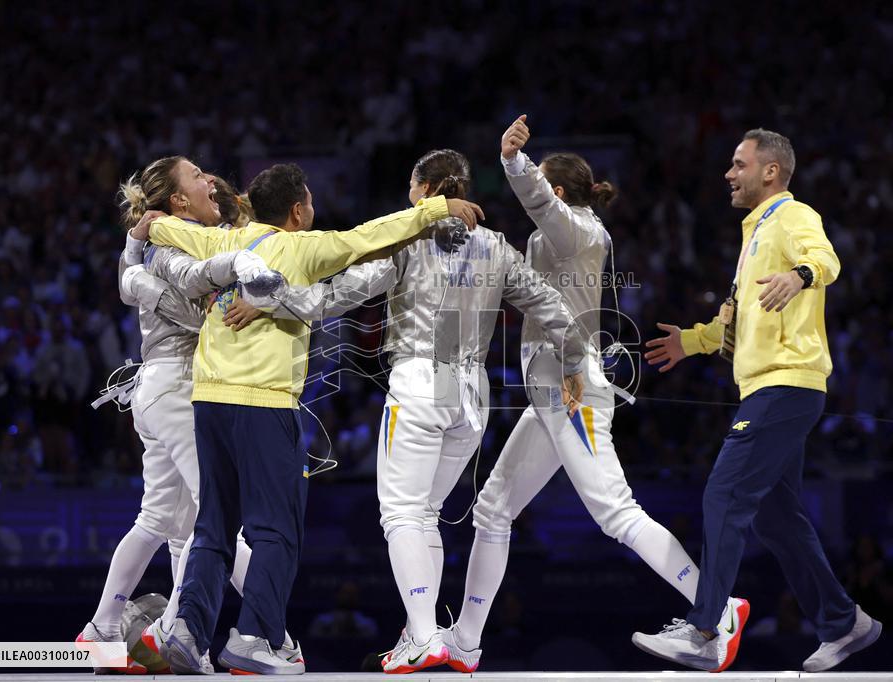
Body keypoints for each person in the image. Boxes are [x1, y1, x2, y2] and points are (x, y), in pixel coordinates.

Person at [240, 149, 586, 674]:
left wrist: (274, 298)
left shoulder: (408, 239)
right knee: (423, 513)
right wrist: (576, 360)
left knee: (400, 513)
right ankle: (417, 631)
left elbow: (339, 294)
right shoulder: (497, 246)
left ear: (424, 190)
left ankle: (426, 635)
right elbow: (547, 302)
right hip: (471, 394)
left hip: (421, 381)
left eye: (410, 185)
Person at [135, 162, 483, 675]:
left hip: (207, 401)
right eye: (312, 202)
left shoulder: (227, 242)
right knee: (276, 530)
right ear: (298, 212)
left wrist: (148, 223)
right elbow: (369, 236)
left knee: (213, 525)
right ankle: (256, 639)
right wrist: (435, 209)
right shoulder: (301, 248)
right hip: (264, 402)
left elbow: (172, 228)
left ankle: (187, 629)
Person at [448, 115, 715, 674]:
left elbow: (543, 207)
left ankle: (714, 610)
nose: (535, 201)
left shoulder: (581, 231)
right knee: (492, 508)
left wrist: (514, 162)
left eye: (543, 187)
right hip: (550, 393)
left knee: (615, 511)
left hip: (571, 388)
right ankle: (465, 642)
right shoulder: (551, 241)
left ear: (558, 191)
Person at [633, 129, 881, 673]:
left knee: (724, 494)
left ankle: (705, 629)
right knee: (776, 518)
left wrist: (800, 274)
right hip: (768, 385)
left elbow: (827, 259)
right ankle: (844, 622)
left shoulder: (792, 217)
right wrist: (691, 342)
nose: (729, 173)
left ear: (770, 171)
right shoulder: (755, 233)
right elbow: (732, 323)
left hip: (786, 384)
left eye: (738, 163)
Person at [77, 159, 265, 675]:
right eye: (198, 174)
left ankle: (108, 628)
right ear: (178, 200)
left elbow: (135, 279)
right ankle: (273, 632)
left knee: (164, 519)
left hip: (164, 389)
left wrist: (131, 262)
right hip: (177, 385)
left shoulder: (176, 241)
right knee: (215, 519)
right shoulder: (172, 243)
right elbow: (194, 316)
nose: (210, 178)